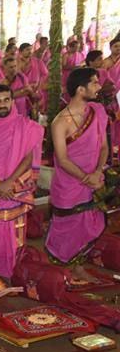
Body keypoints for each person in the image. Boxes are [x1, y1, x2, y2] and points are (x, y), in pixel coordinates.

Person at [0, 85, 44, 280]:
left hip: (15, 188)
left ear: (12, 101)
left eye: (6, 100)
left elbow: (29, 157)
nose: (2, 104)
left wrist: (9, 183)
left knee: (15, 234)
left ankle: (14, 271)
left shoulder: (23, 125)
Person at [46, 68, 109, 266]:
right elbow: (62, 159)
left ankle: (78, 267)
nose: (99, 86)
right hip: (69, 185)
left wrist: (98, 172)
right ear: (81, 90)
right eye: (95, 83)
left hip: (94, 179)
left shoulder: (97, 111)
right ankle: (63, 269)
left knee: (88, 225)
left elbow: (105, 146)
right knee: (67, 229)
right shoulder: (60, 122)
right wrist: (86, 177)